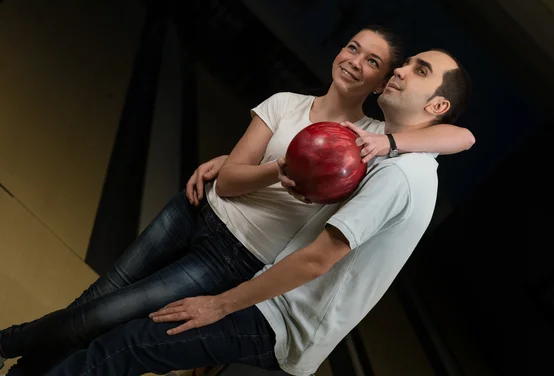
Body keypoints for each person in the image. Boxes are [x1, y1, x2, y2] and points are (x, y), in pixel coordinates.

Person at [0, 27, 472, 374]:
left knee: (106, 323)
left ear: (381, 82)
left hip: (238, 257)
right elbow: (235, 180)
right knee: (94, 307)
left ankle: (6, 345)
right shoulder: (287, 103)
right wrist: (246, 163)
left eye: (376, 62)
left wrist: (393, 144)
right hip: (198, 210)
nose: (356, 61)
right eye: (353, 47)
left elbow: (461, 136)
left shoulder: (368, 142)